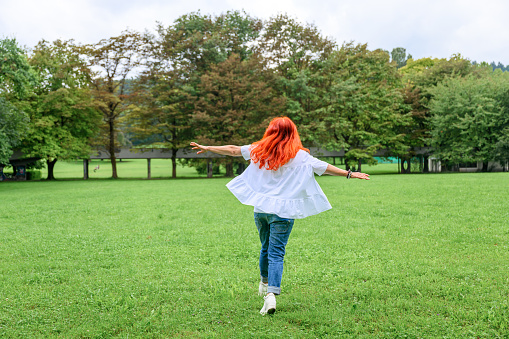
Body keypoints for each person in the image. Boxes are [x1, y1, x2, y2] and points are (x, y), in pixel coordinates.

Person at [190, 117, 370, 315]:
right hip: (283, 213)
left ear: (271, 131)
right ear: (293, 133)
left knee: (265, 247)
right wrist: (349, 174)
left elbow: (233, 150)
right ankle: (270, 295)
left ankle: (264, 283)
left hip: (261, 211)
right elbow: (325, 167)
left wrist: (207, 147)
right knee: (277, 252)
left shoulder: (259, 150)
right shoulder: (300, 156)